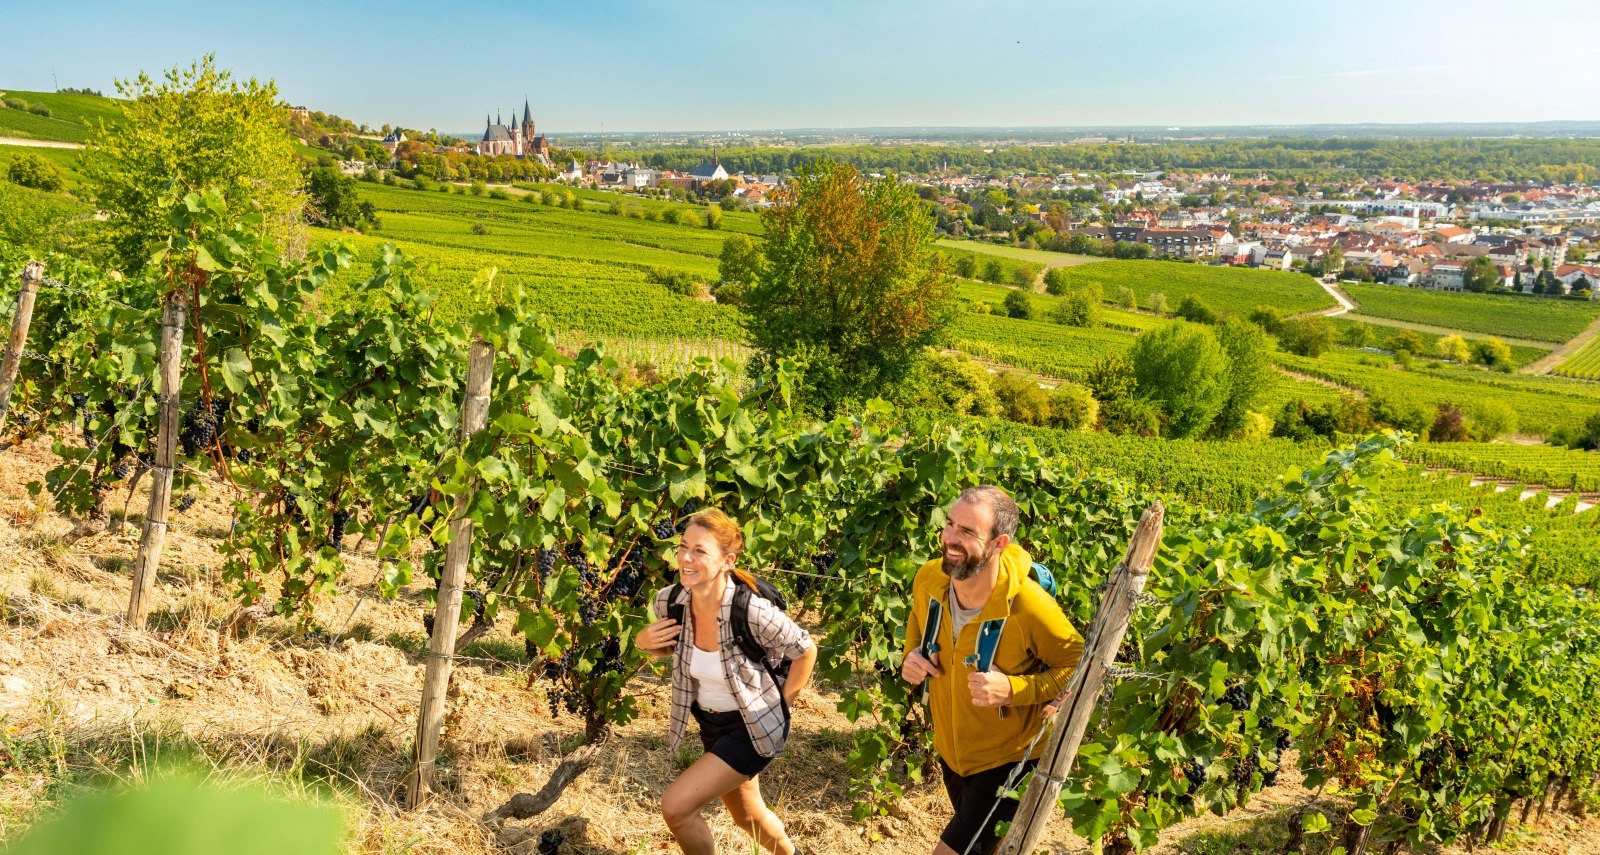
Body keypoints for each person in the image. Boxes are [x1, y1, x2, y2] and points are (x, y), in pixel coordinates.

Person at [901, 486, 1085, 855]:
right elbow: (915, 633)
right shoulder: (928, 580)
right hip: (953, 755)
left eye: (968, 532)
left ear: (999, 543)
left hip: (1010, 759)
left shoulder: (1030, 606)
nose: (951, 539)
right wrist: (911, 659)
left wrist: (1014, 689)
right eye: (950, 525)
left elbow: (1080, 666)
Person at [636, 508, 818, 855]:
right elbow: (677, 650)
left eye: (700, 550)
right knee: (747, 816)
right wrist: (643, 643)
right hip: (712, 722)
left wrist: (781, 707)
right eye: (683, 546)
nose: (686, 557)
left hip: (752, 727)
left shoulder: (750, 611)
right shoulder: (671, 601)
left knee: (676, 808)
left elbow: (806, 651)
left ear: (727, 560)